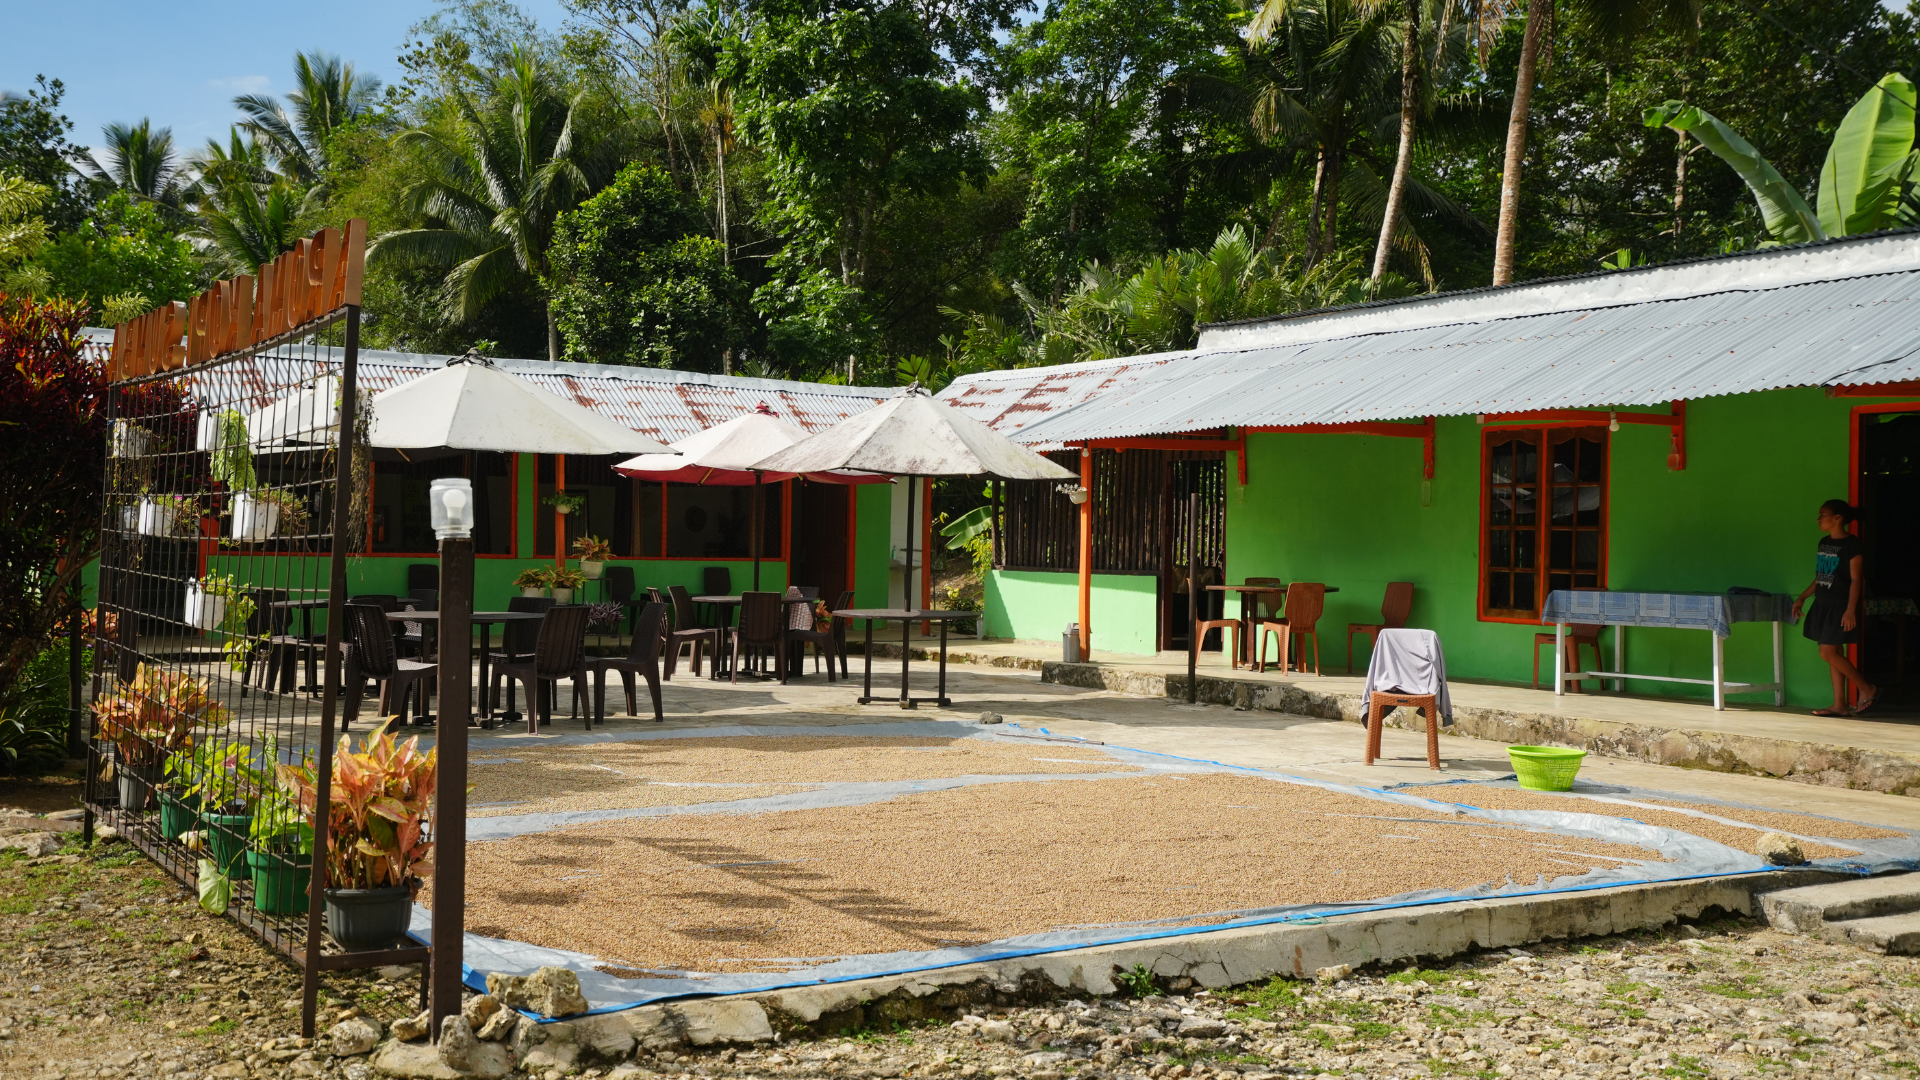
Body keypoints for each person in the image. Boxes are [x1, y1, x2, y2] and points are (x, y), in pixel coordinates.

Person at [1791, 499, 1878, 717]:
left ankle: (1867, 688)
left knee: (1827, 652)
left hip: (1840, 605)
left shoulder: (1852, 545)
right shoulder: (1824, 542)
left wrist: (1850, 610)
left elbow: (1856, 579)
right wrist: (1802, 597)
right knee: (1834, 653)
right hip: (1823, 604)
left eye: (1823, 515)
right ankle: (1839, 704)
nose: (1818, 519)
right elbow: (1821, 576)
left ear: (1837, 518)